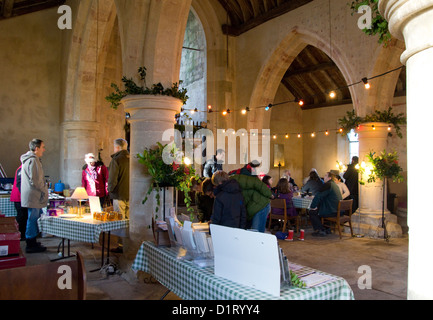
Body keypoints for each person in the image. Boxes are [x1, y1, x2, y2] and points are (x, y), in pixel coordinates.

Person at [20, 139, 48, 253]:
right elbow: (36, 180)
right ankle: (31, 244)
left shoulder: (30, 160)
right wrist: (44, 190)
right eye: (43, 147)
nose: (44, 149)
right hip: (34, 195)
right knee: (32, 218)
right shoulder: (33, 160)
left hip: (32, 194)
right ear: (36, 148)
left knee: (34, 217)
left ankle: (32, 241)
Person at [308, 171, 342, 237]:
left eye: (325, 176)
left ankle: (320, 230)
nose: (324, 177)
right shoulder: (335, 185)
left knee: (312, 212)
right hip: (338, 210)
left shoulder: (328, 185)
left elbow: (318, 196)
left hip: (332, 210)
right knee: (318, 210)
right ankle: (327, 228)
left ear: (329, 178)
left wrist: (312, 206)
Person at [108, 139, 130, 219]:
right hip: (131, 194)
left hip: (119, 194)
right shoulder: (132, 158)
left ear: (117, 147)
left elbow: (112, 178)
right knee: (130, 221)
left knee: (119, 220)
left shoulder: (116, 159)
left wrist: (110, 190)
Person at [9, 165, 28, 240]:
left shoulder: (22, 168)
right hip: (19, 197)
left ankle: (22, 234)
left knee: (24, 216)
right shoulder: (21, 169)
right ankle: (19, 234)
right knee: (21, 216)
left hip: (21, 197)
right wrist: (24, 195)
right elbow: (19, 183)